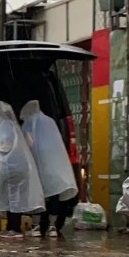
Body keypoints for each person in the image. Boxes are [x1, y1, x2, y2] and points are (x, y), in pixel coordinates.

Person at [0, 100, 45, 239]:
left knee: (3, 193)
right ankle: (13, 226)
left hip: (10, 166)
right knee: (14, 196)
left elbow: (6, 145)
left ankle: (14, 228)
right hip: (20, 166)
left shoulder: (4, 126)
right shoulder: (13, 126)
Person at [20, 100, 78, 238]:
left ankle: (36, 226)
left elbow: (27, 144)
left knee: (37, 194)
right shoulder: (49, 121)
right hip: (54, 166)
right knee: (54, 194)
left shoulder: (28, 124)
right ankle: (52, 227)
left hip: (38, 166)